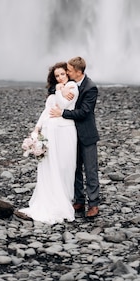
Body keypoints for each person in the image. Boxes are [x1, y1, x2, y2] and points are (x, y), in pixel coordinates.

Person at [20, 62, 79, 224]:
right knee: (48, 165)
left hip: (64, 131)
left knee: (63, 165)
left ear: (68, 74)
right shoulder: (55, 91)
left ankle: (63, 200)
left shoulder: (72, 86)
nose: (60, 78)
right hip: (49, 132)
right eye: (57, 76)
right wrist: (36, 129)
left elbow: (65, 105)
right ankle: (48, 199)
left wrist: (60, 89)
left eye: (62, 74)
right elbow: (47, 111)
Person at [50, 56, 100, 218]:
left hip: (86, 134)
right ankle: (79, 200)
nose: (67, 73)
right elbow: (51, 89)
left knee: (90, 170)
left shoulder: (90, 87)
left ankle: (93, 204)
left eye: (69, 71)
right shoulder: (67, 84)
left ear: (78, 72)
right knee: (75, 168)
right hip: (70, 133)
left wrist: (62, 113)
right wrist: (60, 88)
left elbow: (85, 112)